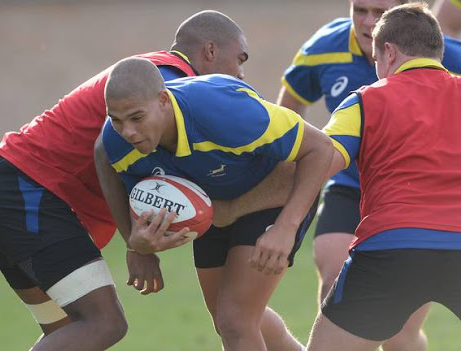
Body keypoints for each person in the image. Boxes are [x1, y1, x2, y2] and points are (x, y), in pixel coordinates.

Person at [0, 10, 263, 350]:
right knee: (103, 323)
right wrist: (135, 245)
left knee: (70, 331)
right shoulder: (167, 80)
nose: (240, 73)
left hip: (6, 186)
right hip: (24, 189)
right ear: (210, 51)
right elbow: (104, 148)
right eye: (240, 59)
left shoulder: (156, 77)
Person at [96, 57, 332, 351]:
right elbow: (107, 163)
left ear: (163, 101)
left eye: (136, 117)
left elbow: (321, 148)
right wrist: (137, 245)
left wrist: (287, 226)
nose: (127, 131)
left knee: (235, 320)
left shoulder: (224, 112)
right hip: (214, 206)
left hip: (271, 194)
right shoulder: (117, 143)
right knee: (229, 321)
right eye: (116, 120)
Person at [277, 1, 461, 349]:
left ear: (388, 53)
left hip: (392, 249)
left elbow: (319, 163)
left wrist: (283, 225)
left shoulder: (364, 100)